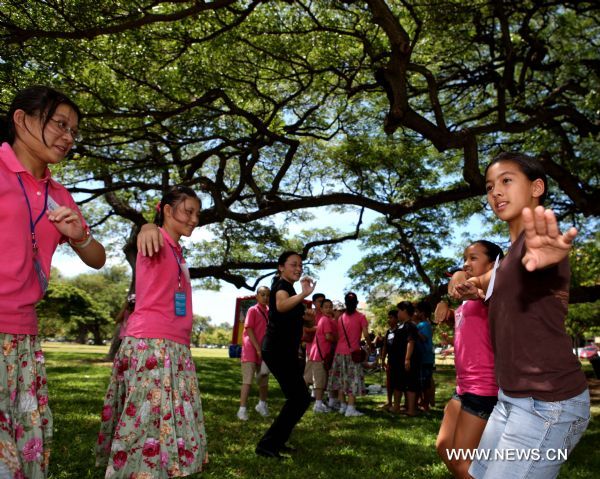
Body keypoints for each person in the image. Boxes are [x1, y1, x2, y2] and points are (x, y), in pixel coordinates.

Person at [452, 152, 590, 479]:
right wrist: (470, 285)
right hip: (511, 399)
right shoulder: (508, 257)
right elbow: (484, 281)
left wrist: (549, 258)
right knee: (475, 472)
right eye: (489, 187)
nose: (495, 192)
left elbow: (541, 264)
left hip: (548, 404)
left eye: (506, 181)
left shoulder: (537, 246)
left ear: (536, 187)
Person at [0, 85, 106, 478]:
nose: (68, 138)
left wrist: (79, 235)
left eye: (74, 131)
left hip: (23, 337)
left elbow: (98, 259)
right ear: (22, 119)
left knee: (24, 448)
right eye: (60, 125)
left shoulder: (58, 193)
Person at [96, 186, 207, 478]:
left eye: (198, 213)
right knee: (146, 423)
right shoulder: (155, 238)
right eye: (188, 211)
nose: (195, 219)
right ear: (168, 211)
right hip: (152, 344)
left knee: (164, 424)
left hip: (174, 344)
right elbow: (147, 233)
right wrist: (147, 225)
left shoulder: (177, 250)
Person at [436, 240, 503, 478]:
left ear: (493, 263)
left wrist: (458, 275)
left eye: (473, 258)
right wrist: (448, 311)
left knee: (462, 462)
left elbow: (489, 302)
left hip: (484, 387)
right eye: (465, 258)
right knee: (443, 447)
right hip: (463, 385)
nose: (466, 263)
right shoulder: (468, 299)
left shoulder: (494, 291)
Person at [255, 252, 315, 459]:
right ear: (281, 267)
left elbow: (305, 325)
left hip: (286, 351)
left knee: (298, 398)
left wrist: (308, 318)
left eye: (300, 265)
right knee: (300, 398)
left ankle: (276, 442)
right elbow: (280, 306)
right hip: (277, 350)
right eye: (293, 265)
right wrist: (303, 295)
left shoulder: (289, 289)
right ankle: (268, 445)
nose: (298, 268)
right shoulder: (281, 286)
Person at [328, 292, 373, 417]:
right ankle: (351, 408)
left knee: (341, 379)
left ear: (346, 304)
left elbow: (337, 336)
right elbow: (366, 334)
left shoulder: (340, 318)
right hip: (353, 353)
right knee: (353, 380)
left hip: (339, 353)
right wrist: (371, 346)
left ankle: (343, 406)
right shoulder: (361, 317)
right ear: (356, 303)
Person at [237, 286, 271, 421]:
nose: (265, 297)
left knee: (263, 380)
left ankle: (262, 404)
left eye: (268, 295)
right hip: (251, 349)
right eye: (262, 295)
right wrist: (257, 348)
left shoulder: (269, 312)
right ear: (257, 296)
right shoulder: (253, 310)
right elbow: (249, 330)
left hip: (263, 351)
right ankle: (242, 409)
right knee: (248, 381)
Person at [304, 298, 336, 413]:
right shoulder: (326, 320)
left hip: (314, 353)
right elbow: (328, 336)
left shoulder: (323, 319)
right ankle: (318, 405)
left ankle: (300, 398)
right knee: (320, 380)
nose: (328, 309)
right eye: (326, 307)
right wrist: (337, 340)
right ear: (321, 309)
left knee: (307, 378)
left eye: (330, 307)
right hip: (320, 354)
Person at [395, 301, 421, 416]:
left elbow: (411, 342)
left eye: (399, 311)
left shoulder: (411, 326)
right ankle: (397, 407)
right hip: (399, 361)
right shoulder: (401, 326)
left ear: (404, 311)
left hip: (409, 361)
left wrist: (407, 359)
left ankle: (411, 410)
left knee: (411, 384)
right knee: (400, 384)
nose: (398, 313)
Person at [414, 300, 436, 411]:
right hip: (421, 358)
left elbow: (423, 338)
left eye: (417, 311)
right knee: (421, 382)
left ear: (422, 313)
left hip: (426, 359)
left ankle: (426, 404)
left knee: (426, 383)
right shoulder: (421, 324)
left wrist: (414, 330)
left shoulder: (425, 325)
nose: (415, 314)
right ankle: (422, 402)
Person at [379, 310, 398, 411]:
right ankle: (389, 402)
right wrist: (382, 359)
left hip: (398, 361)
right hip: (390, 361)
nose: (389, 320)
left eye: (391, 318)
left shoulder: (399, 330)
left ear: (397, 318)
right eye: (388, 318)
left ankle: (396, 403)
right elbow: (385, 346)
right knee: (389, 382)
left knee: (396, 383)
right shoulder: (388, 332)